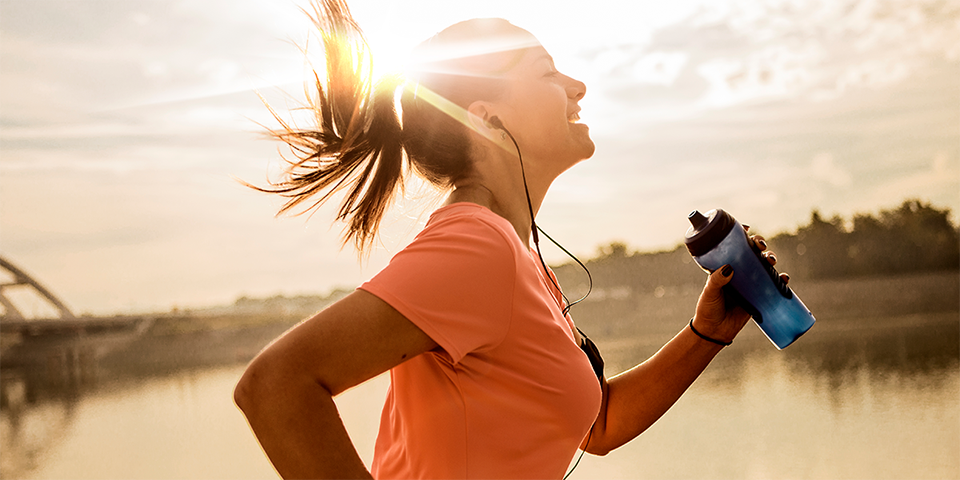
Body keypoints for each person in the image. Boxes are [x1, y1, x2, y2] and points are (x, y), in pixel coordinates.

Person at [234, 1, 785, 479]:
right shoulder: (476, 248)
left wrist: (706, 333)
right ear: (488, 117)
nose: (578, 85)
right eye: (547, 73)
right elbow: (276, 385)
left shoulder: (516, 256)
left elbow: (598, 425)